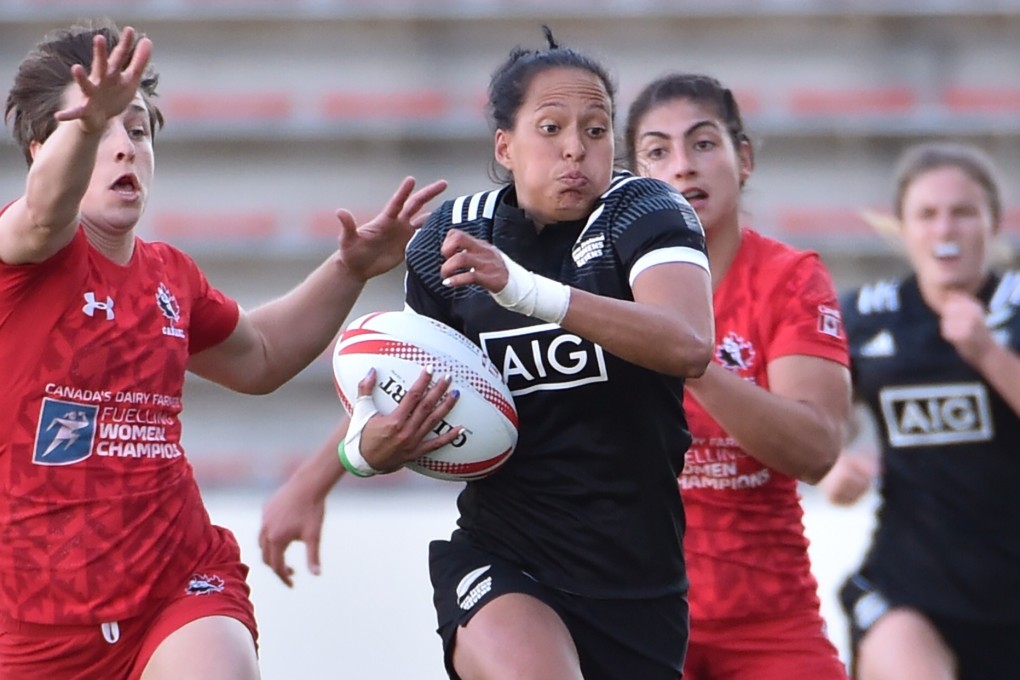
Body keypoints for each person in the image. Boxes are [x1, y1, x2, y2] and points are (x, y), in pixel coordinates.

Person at [259, 27, 714, 680]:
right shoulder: (452, 237)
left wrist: (526, 291)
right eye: (551, 128)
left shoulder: (643, 210)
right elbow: (411, 376)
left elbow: (688, 343)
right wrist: (342, 464)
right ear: (505, 146)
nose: (576, 149)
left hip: (636, 575)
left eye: (595, 130)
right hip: (503, 555)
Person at [0, 21, 447, 680]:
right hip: (38, 622)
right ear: (43, 151)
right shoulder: (23, 253)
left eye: (138, 131)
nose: (124, 148)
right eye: (99, 132)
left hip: (177, 583)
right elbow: (43, 213)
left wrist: (349, 269)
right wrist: (86, 126)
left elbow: (260, 356)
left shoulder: (170, 277)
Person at [624, 72, 852, 679]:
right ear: (632, 180)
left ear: (742, 158)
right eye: (657, 152)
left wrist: (689, 357)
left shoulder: (790, 279)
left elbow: (817, 450)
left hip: (769, 619)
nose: (682, 166)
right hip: (632, 611)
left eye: (703, 143)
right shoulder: (600, 287)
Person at [820, 141, 1020, 680]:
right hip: (910, 586)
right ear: (903, 228)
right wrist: (832, 463)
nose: (944, 229)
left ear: (992, 221)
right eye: (927, 214)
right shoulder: (868, 316)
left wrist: (987, 353)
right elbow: (830, 413)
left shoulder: (1015, 308)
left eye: (963, 212)